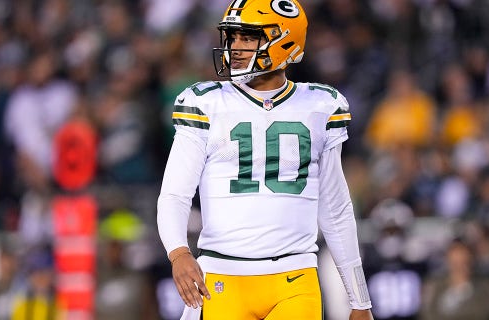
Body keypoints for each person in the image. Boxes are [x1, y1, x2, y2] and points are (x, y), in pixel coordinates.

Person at [156, 0, 374, 319]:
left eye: (248, 38)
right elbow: (175, 194)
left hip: (295, 278)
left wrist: (359, 300)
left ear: (285, 39)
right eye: (232, 38)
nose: (236, 47)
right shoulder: (205, 102)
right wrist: (178, 252)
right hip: (221, 277)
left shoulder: (319, 105)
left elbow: (336, 209)